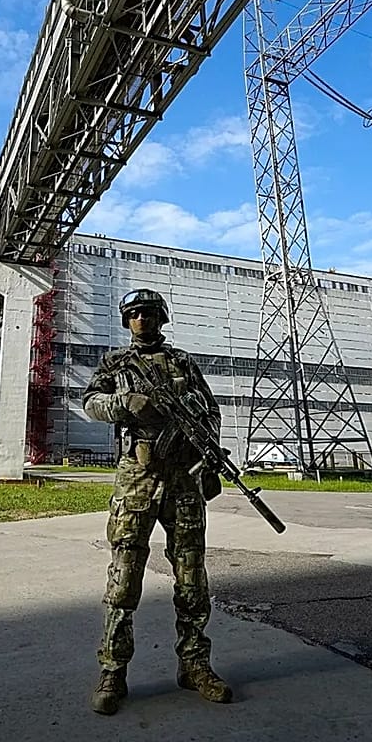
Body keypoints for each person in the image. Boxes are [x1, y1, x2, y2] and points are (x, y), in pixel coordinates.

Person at [81, 288, 232, 715]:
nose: (142, 320)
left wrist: (209, 459)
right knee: (124, 577)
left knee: (191, 579)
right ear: (126, 321)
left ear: (162, 318)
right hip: (137, 480)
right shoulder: (116, 363)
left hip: (183, 481)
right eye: (134, 314)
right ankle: (113, 670)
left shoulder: (183, 362)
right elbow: (89, 403)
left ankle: (195, 664)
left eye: (148, 313)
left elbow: (210, 413)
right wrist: (123, 403)